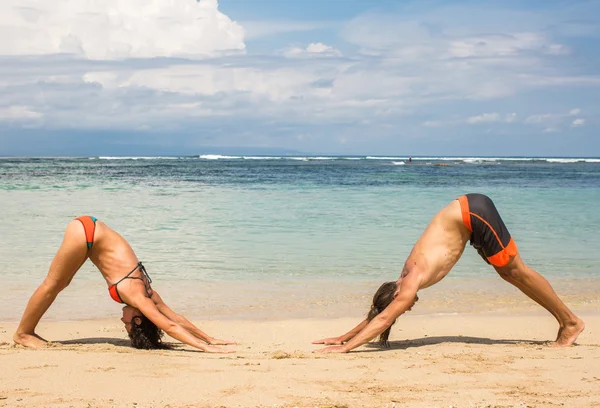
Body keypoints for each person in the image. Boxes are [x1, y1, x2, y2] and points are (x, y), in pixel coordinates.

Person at [313, 193, 585, 353]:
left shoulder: (410, 283)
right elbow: (380, 312)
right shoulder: (404, 279)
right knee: (509, 273)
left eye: (401, 306)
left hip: (473, 214)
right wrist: (343, 335)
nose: (405, 309)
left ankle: (570, 322)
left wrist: (346, 348)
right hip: (470, 215)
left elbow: (384, 318)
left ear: (395, 294)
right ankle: (566, 320)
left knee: (516, 271)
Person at [13, 216, 235, 352]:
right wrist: (205, 348)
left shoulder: (149, 294)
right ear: (138, 319)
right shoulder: (139, 297)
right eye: (128, 324)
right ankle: (23, 333)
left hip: (91, 232)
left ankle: (26, 331)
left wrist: (210, 337)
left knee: (61, 282)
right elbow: (170, 326)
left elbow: (175, 318)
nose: (122, 320)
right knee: (53, 284)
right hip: (86, 234)